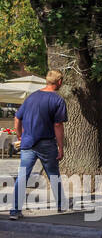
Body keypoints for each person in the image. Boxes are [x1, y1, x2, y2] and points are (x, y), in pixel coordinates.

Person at [10, 70, 68, 219]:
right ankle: (61, 204)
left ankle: (15, 211)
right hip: (46, 142)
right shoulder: (58, 100)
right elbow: (58, 125)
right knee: (53, 174)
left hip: (28, 142)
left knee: (23, 176)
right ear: (59, 82)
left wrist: (20, 136)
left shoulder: (31, 97)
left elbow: (17, 118)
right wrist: (61, 147)